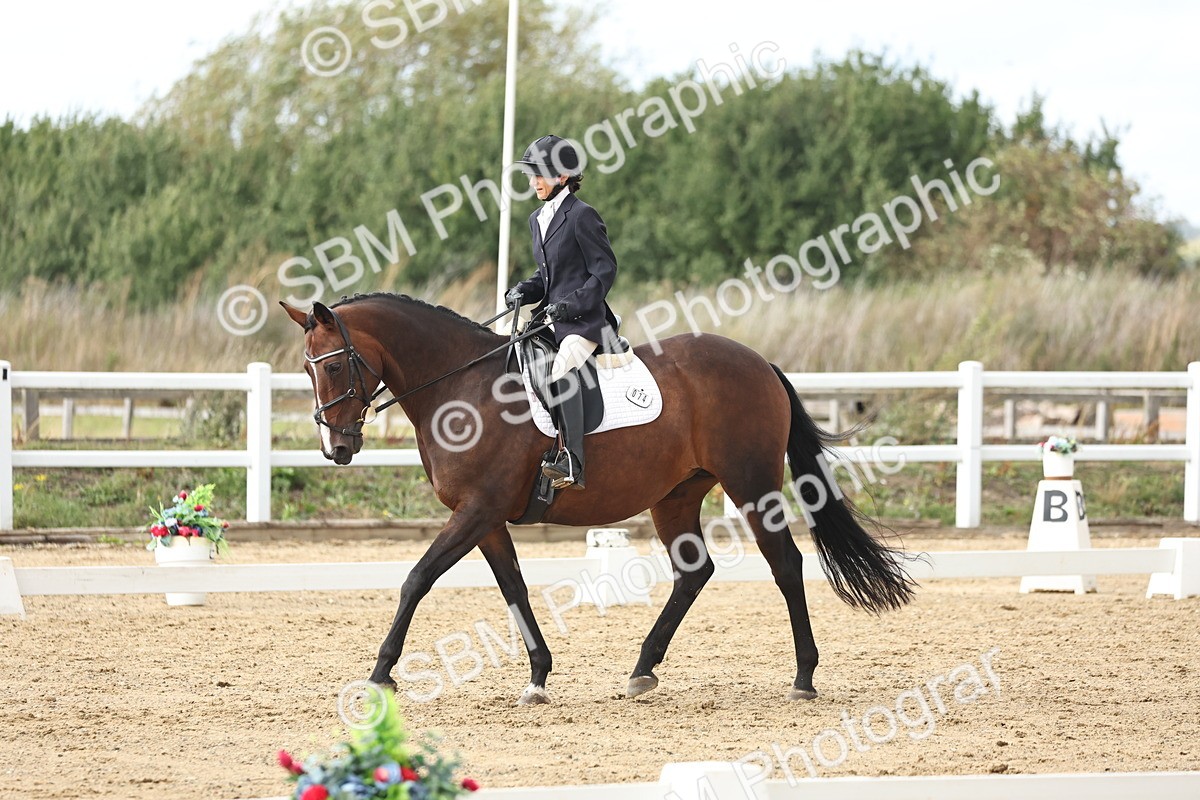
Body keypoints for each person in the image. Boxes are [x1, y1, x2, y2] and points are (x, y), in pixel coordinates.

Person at [506, 135, 621, 491]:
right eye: (531, 175)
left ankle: (572, 460)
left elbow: (604, 271)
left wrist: (572, 304)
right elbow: (547, 277)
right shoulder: (537, 219)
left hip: (584, 322)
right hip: (551, 318)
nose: (533, 182)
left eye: (539, 175)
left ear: (562, 176)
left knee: (563, 366)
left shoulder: (582, 215)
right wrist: (525, 290)